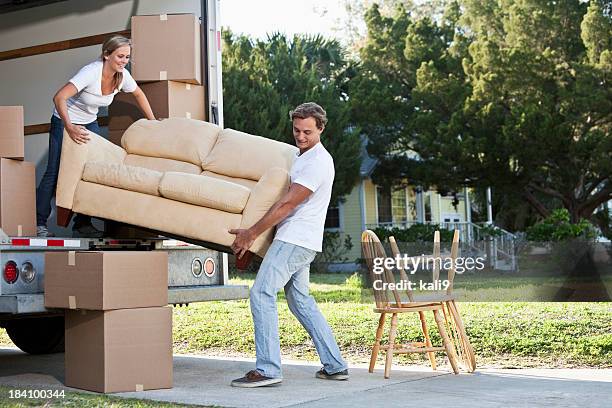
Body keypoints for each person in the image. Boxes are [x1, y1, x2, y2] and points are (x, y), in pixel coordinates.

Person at [229, 102, 348, 388]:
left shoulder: (317, 162)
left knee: (261, 292)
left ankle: (268, 369)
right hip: (301, 239)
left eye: (307, 131)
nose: (301, 136)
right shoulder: (301, 156)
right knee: (301, 301)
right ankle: (335, 365)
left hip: (295, 239)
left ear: (321, 128)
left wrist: (251, 233)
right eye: (296, 130)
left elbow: (288, 203)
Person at [36, 35, 155, 238]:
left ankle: (81, 224)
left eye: (127, 57)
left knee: (91, 171)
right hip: (64, 120)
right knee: (54, 171)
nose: (124, 61)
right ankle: (39, 224)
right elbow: (59, 97)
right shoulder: (90, 72)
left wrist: (153, 121)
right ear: (107, 54)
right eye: (120, 56)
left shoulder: (122, 76)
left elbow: (139, 94)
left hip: (90, 123)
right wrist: (70, 126)